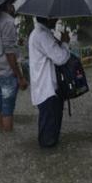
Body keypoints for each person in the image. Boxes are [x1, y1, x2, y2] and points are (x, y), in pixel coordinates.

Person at [28, 16, 71, 148]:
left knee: (49, 123)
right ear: (48, 18)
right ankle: (48, 152)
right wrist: (64, 43)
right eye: (54, 17)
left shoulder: (40, 33)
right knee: (49, 131)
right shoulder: (42, 35)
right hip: (47, 88)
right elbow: (60, 58)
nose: (57, 19)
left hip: (44, 86)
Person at [0, 2, 28, 131]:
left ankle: (0, 138)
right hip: (7, 72)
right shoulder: (9, 22)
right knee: (8, 109)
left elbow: (4, 45)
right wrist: (20, 76)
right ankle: (8, 137)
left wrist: (16, 42)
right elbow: (9, 53)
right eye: (13, 5)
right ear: (8, 6)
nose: (15, 7)